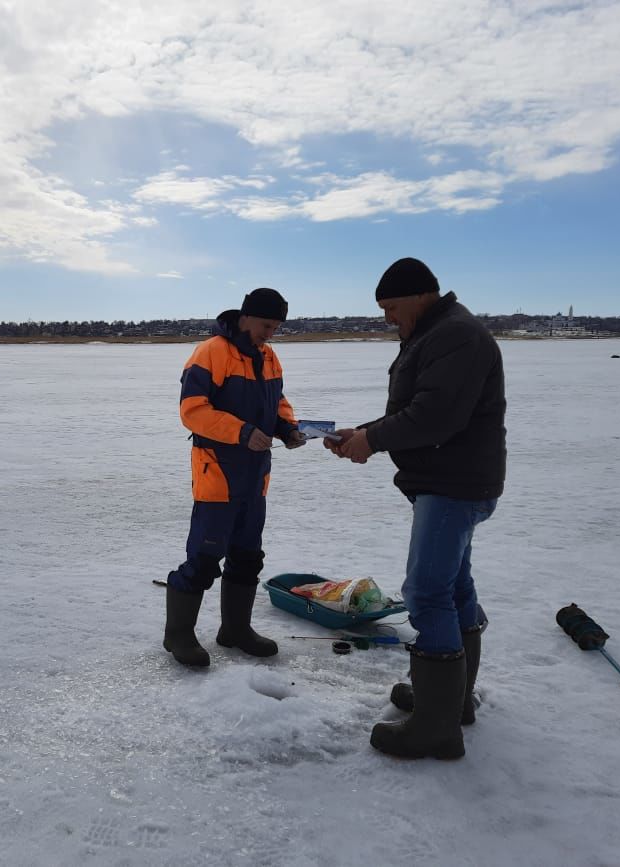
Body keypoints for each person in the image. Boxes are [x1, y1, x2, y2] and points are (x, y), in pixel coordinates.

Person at [326, 258, 506, 759]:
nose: (387, 318)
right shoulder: (439, 332)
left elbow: (437, 416)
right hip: (452, 480)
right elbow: (419, 408)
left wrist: (373, 440)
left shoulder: (455, 335)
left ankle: (436, 726)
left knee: (427, 592)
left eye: (391, 307)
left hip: (452, 485)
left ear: (420, 295)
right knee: (453, 587)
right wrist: (362, 434)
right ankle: (452, 701)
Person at [164, 288, 307, 667]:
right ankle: (177, 635)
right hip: (218, 474)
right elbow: (192, 410)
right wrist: (242, 432)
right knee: (205, 558)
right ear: (245, 318)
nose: (271, 333)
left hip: (255, 477)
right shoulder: (211, 352)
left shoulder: (269, 356)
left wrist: (287, 428)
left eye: (277, 327)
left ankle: (235, 630)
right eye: (266, 325)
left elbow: (276, 401)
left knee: (247, 556)